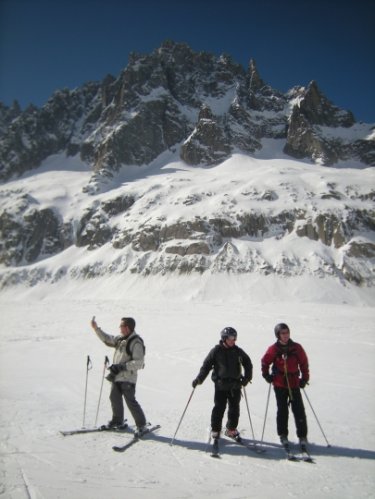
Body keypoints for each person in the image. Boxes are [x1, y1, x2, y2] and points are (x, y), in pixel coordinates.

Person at [192, 327, 253, 439]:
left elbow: (248, 363)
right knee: (219, 408)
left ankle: (231, 429)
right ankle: (215, 430)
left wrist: (247, 378)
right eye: (230, 337)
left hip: (235, 385)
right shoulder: (216, 351)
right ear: (224, 338)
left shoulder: (238, 351)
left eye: (234, 338)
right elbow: (206, 366)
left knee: (234, 409)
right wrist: (199, 379)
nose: (233, 340)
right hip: (221, 385)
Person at [90, 316, 147, 434]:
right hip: (117, 376)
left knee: (130, 401)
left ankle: (141, 425)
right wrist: (96, 329)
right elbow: (107, 339)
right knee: (114, 397)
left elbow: (139, 363)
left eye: (121, 326)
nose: (119, 328)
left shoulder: (136, 342)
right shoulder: (120, 339)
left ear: (127, 328)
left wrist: (122, 366)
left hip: (128, 378)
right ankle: (117, 421)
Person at [261, 322, 309, 449]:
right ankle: (283, 435)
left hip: (294, 383)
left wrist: (304, 378)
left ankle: (302, 436)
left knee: (299, 410)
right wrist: (266, 375)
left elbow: (304, 363)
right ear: (278, 335)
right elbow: (265, 362)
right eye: (283, 333)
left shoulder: (297, 347)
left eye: (287, 332)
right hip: (279, 383)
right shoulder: (273, 349)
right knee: (282, 411)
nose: (286, 335)